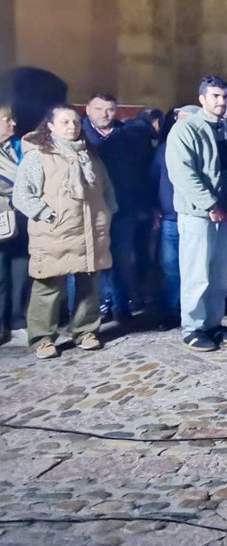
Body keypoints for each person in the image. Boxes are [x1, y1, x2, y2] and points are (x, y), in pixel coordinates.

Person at [12, 105, 116, 359]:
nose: (72, 127)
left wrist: (107, 211)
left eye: (76, 122)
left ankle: (85, 330)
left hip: (90, 231)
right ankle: (42, 338)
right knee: (48, 286)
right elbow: (23, 195)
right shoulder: (39, 155)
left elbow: (106, 189)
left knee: (89, 286)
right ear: (50, 126)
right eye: (65, 122)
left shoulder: (90, 155)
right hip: (55, 232)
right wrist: (48, 215)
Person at [166, 76, 227, 352]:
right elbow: (183, 173)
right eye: (215, 96)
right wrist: (210, 204)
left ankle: (213, 322)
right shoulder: (186, 130)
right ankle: (193, 327)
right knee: (197, 272)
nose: (221, 101)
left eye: (224, 96)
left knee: (221, 274)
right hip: (199, 213)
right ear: (202, 99)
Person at [82, 92, 154, 326]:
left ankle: (121, 306)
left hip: (125, 209)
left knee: (122, 259)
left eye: (110, 109)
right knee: (92, 261)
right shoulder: (81, 136)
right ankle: (98, 305)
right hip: (89, 212)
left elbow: (141, 172)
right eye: (99, 108)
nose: (105, 114)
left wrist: (145, 205)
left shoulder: (128, 137)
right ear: (88, 110)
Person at [152, 105, 198, 329]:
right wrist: (154, 207)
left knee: (196, 266)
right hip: (171, 216)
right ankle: (171, 310)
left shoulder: (202, 147)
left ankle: (193, 310)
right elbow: (153, 179)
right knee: (170, 266)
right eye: (180, 118)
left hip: (196, 216)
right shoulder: (163, 149)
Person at [0, 104, 30, 344]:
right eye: (7, 120)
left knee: (20, 271)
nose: (13, 124)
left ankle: (18, 320)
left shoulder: (18, 148)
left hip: (20, 218)